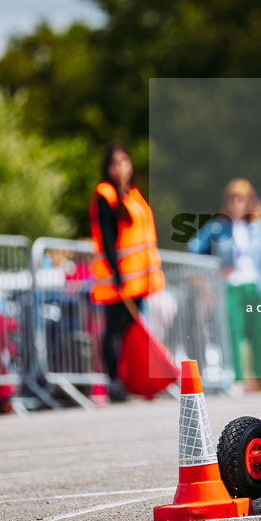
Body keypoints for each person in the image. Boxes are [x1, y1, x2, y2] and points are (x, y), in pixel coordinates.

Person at [89, 144, 165, 402]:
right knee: (114, 330)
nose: (120, 167)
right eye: (114, 163)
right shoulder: (105, 195)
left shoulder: (133, 195)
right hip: (118, 280)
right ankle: (113, 381)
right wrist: (117, 274)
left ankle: (132, 380)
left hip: (138, 279)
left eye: (124, 161)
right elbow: (107, 240)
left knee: (131, 329)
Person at [187, 178, 261, 391]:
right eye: (233, 197)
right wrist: (216, 269)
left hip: (255, 285)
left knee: (259, 334)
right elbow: (193, 248)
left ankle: (260, 381)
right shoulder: (218, 227)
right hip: (231, 286)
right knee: (233, 334)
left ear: (249, 201)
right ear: (226, 201)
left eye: (242, 198)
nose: (237, 202)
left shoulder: (260, 227)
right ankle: (237, 380)